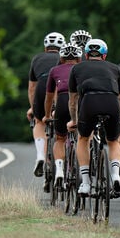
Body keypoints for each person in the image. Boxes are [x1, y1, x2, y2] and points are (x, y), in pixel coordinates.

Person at [66, 38, 120, 199]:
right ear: (104, 56)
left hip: (89, 103)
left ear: (85, 55)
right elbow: (119, 97)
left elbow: (73, 100)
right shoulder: (115, 68)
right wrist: (117, 117)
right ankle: (115, 175)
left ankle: (85, 183)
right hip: (111, 103)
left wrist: (74, 121)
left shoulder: (77, 68)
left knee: (83, 138)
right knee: (113, 141)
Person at [43, 44, 82, 190]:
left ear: (62, 57)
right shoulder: (81, 68)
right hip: (79, 102)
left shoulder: (54, 70)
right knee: (82, 137)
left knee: (60, 138)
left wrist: (47, 115)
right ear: (79, 58)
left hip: (61, 102)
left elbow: (48, 98)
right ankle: (82, 167)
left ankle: (59, 169)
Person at [27, 31, 66, 176]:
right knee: (62, 127)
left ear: (45, 47)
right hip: (60, 88)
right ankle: (61, 163)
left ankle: (40, 156)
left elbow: (32, 87)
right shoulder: (64, 59)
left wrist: (33, 107)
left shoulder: (37, 58)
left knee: (39, 121)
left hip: (42, 87)